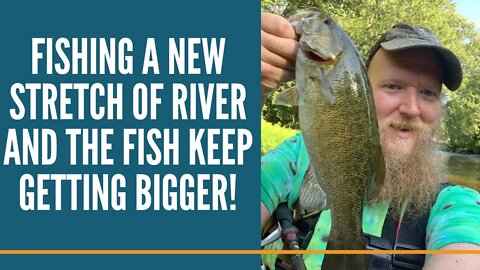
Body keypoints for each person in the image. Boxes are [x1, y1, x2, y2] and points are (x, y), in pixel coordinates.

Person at [260, 12, 480, 270]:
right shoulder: (297, 156)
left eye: (428, 92)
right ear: (362, 92)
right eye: (393, 86)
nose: (411, 108)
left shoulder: (458, 205)